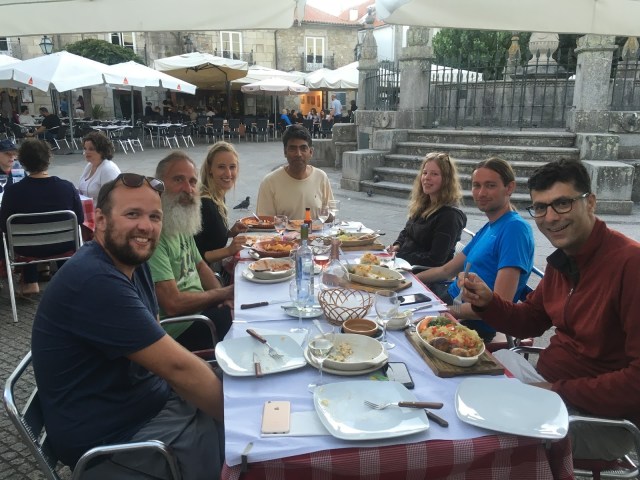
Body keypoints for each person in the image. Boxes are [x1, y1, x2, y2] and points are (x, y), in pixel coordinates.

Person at [31, 173, 225, 478]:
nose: (146, 226)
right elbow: (177, 368)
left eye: (154, 216)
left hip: (148, 404)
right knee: (243, 447)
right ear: (101, 220)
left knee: (241, 389)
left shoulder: (134, 262)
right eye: (132, 214)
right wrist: (249, 421)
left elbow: (160, 345)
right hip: (115, 442)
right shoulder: (94, 280)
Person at [460, 159, 639, 461]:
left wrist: (557, 390)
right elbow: (530, 320)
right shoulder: (565, 259)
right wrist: (488, 302)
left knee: (483, 436)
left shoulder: (630, 265)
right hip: (546, 385)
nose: (551, 217)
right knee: (462, 386)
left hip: (602, 420)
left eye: (563, 203)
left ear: (590, 203)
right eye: (541, 208)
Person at [417, 157, 534, 342]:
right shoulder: (491, 226)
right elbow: (447, 270)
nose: (481, 193)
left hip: (471, 323)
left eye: (490, 185)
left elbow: (499, 305)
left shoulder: (515, 230)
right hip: (449, 299)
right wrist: (409, 279)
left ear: (509, 188)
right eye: (476, 185)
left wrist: (444, 310)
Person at [148, 151, 234, 350]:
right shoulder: (153, 236)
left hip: (200, 311)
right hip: (179, 330)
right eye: (178, 179)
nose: (188, 189)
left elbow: (201, 266)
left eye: (193, 182)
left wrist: (223, 297)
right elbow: (173, 304)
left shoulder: (178, 221)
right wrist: (223, 294)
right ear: (159, 184)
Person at [0, 139, 84, 295]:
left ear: (22, 162)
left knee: (23, 231)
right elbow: (79, 220)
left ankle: (30, 283)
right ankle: (66, 281)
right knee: (61, 230)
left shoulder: (12, 192)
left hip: (26, 249)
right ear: (49, 159)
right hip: (63, 245)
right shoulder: (67, 187)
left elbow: (4, 227)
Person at [389, 152, 467, 268]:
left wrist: (400, 255)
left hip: (421, 272)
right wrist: (397, 246)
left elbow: (435, 260)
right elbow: (407, 231)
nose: (427, 178)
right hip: (404, 263)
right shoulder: (424, 203)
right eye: (425, 173)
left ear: (446, 180)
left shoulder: (450, 216)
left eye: (434, 174)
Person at [194, 142, 248, 280]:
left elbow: (209, 237)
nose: (228, 173)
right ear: (209, 169)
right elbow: (196, 255)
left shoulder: (217, 195)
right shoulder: (205, 204)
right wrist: (229, 250)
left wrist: (230, 233)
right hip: (204, 278)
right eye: (221, 167)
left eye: (232, 167)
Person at [256, 124, 334, 219]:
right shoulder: (270, 182)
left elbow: (330, 216)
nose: (298, 154)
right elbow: (264, 222)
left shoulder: (321, 178)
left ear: (311, 152)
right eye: (292, 149)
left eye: (303, 148)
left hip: (316, 229)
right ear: (285, 152)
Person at [78, 131, 121, 202]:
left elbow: (113, 199)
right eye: (85, 149)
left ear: (101, 151)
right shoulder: (89, 166)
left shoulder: (108, 169)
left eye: (91, 149)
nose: (86, 152)